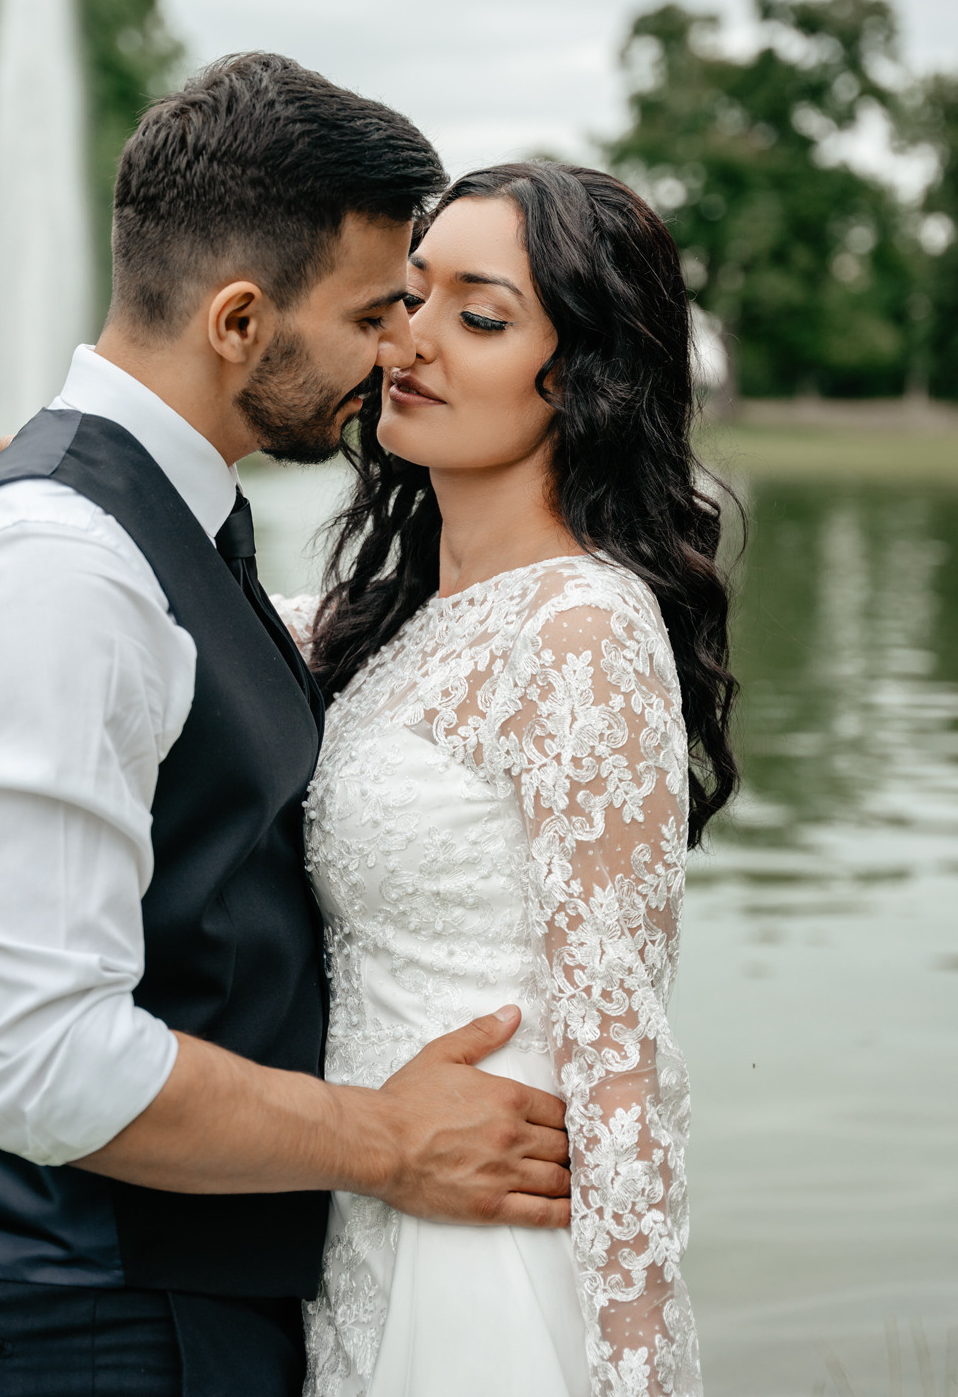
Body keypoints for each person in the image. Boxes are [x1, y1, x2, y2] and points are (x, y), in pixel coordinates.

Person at [0, 58, 573, 1397]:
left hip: (179, 1322)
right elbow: (44, 1062)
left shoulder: (152, 525)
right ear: (242, 319)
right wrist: (387, 1142)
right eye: (374, 312)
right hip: (80, 1342)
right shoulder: (55, 565)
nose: (395, 352)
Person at [276, 162, 740, 1397]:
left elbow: (618, 1048)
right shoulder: (393, 620)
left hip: (488, 1251)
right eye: (409, 297)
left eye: (478, 316)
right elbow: (210, 626)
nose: (410, 341)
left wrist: (631, 1367)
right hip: (366, 1215)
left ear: (582, 377)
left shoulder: (581, 629)